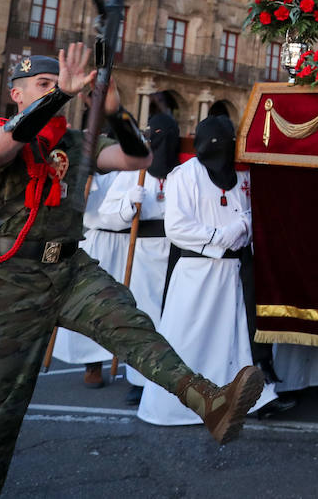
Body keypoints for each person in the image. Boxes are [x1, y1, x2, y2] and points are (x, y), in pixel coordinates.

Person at [0, 48, 264, 498]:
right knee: (1, 413)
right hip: (11, 281)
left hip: (68, 268)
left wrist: (115, 111)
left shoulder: (72, 145)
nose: (54, 91)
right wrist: (59, 97)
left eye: (56, 85)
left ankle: (211, 402)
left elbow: (137, 159)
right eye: (43, 86)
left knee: (134, 327)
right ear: (16, 94)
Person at [137, 114, 279, 425]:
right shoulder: (184, 175)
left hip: (233, 272)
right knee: (189, 337)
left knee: (233, 338)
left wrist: (243, 224)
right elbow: (176, 227)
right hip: (197, 271)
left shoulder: (241, 174)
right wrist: (217, 237)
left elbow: (251, 210)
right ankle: (175, 403)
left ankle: (244, 398)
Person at [98, 111, 180, 404]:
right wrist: (128, 206)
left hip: (177, 252)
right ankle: (141, 379)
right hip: (143, 253)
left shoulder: (185, 171)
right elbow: (106, 214)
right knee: (144, 317)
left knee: (174, 317)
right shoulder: (133, 173)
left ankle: (174, 378)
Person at [50, 169, 125, 386]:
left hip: (130, 242)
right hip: (98, 239)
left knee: (126, 307)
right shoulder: (87, 170)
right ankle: (93, 364)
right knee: (93, 302)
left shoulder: (133, 170)